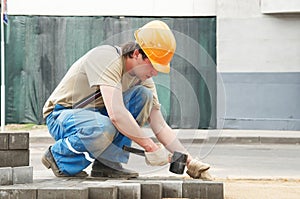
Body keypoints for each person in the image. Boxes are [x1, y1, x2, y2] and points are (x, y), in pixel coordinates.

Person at [41, 20, 211, 179]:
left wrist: (189, 161)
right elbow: (116, 114)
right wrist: (150, 147)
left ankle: (108, 164)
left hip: (95, 116)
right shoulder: (106, 57)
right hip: (61, 116)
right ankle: (59, 158)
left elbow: (159, 125)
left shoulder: (143, 80)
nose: (155, 73)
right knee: (103, 126)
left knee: (144, 97)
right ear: (137, 54)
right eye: (153, 65)